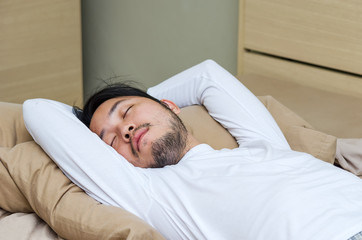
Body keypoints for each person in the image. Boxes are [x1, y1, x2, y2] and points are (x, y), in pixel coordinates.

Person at [24, 60, 362, 240]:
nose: (124, 130)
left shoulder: (264, 145)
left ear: (171, 105)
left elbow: (207, 75)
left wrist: (155, 102)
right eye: (110, 141)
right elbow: (36, 109)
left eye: (127, 112)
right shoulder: (150, 195)